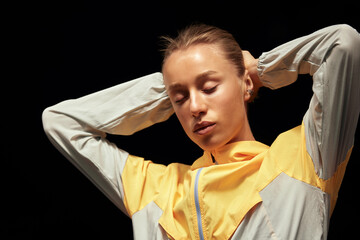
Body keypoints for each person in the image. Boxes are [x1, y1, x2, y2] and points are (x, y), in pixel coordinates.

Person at [42, 24, 360, 239]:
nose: (194, 106)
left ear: (245, 84)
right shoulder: (157, 188)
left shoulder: (303, 158)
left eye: (208, 87)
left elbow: (341, 43)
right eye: (179, 98)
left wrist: (260, 70)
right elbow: (60, 121)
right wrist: (166, 89)